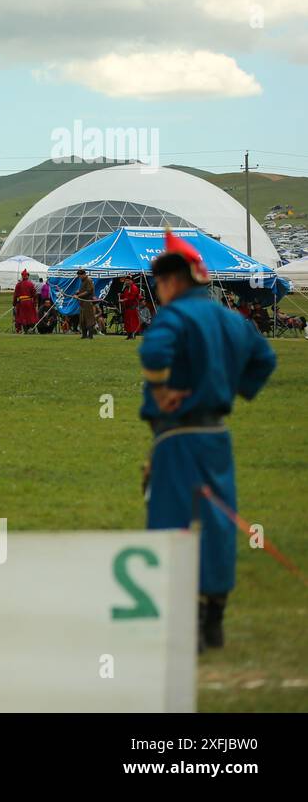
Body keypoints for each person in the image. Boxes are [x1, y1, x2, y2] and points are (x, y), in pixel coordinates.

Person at [139, 231, 276, 652]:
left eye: (160, 281)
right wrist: (230, 388)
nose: (159, 289)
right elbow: (265, 359)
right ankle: (213, 617)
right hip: (217, 434)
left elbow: (153, 353)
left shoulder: (174, 317)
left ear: (176, 280)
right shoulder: (233, 319)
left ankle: (180, 619)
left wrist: (161, 391)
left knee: (170, 521)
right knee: (218, 521)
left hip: (177, 436)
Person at [13, 268, 38, 334]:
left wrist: (14, 303)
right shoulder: (31, 284)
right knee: (30, 316)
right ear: (27, 276)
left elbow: (15, 295)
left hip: (22, 302)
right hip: (29, 302)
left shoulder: (18, 284)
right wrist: (35, 302)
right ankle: (32, 329)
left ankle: (25, 330)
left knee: (23, 316)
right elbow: (34, 294)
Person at [75, 269, 97, 339]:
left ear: (84, 274)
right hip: (83, 303)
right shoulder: (83, 281)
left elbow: (88, 291)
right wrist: (78, 292)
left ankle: (90, 336)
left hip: (88, 302)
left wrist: (78, 295)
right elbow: (84, 290)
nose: (79, 277)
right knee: (82, 319)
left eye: (80, 275)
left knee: (89, 319)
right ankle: (84, 335)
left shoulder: (88, 280)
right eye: (79, 276)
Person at [120, 274, 143, 340]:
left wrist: (124, 299)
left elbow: (132, 297)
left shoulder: (134, 288)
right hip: (127, 308)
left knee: (133, 322)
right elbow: (125, 296)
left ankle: (133, 335)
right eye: (126, 280)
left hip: (132, 307)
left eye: (128, 280)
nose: (127, 282)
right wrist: (121, 296)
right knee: (127, 322)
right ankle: (129, 335)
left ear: (131, 281)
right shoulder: (126, 289)